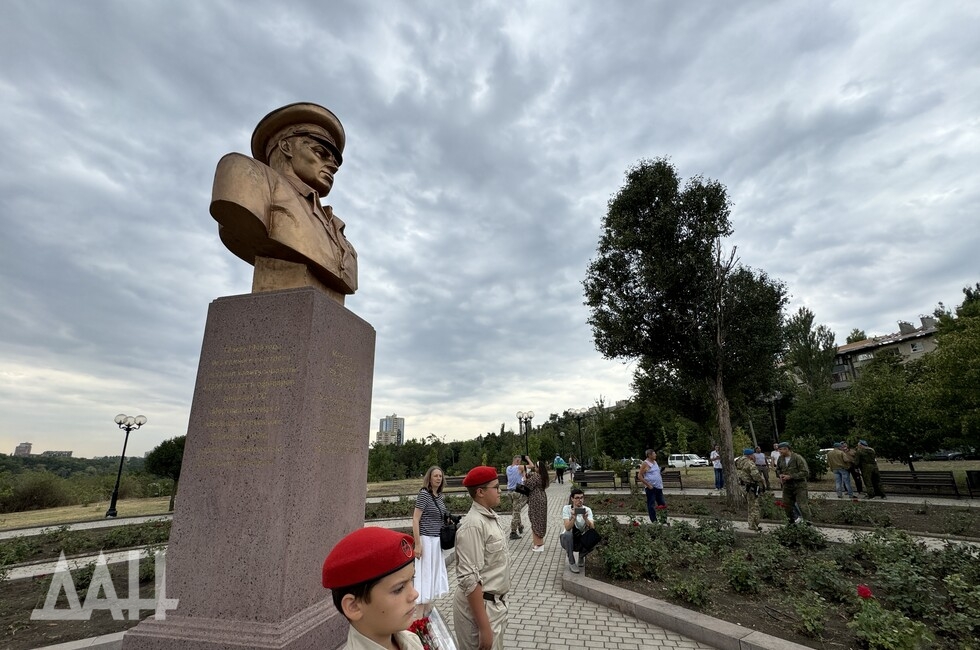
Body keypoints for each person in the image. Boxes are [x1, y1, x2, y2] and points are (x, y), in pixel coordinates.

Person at [210, 102, 358, 299]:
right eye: (320, 153)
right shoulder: (245, 174)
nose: (333, 166)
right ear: (286, 147)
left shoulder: (339, 232)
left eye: (335, 160)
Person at [321, 527, 424, 649]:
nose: (414, 594)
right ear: (354, 607)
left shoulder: (411, 640)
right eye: (398, 589)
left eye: (412, 579)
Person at [453, 466, 512, 650]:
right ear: (480, 492)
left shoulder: (489, 517)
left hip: (494, 606)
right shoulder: (473, 525)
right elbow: (470, 579)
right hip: (480, 610)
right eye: (496, 487)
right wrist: (484, 627)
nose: (500, 491)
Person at [412, 466, 450, 608]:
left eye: (440, 476)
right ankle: (420, 610)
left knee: (434, 574)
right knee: (425, 574)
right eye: (435, 476)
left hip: (436, 540)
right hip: (426, 538)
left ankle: (428, 606)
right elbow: (416, 519)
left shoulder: (439, 496)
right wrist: (417, 544)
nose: (438, 478)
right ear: (429, 478)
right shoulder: (424, 494)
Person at [559, 488, 596, 573]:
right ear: (572, 499)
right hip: (569, 539)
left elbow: (592, 528)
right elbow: (567, 527)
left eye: (582, 498)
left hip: (581, 539)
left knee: (594, 536)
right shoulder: (567, 509)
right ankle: (572, 562)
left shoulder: (587, 510)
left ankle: (581, 556)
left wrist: (586, 519)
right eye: (577, 498)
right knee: (567, 534)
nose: (580, 500)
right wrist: (573, 518)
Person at [775, 442, 810, 524]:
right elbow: (778, 469)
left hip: (799, 486)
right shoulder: (781, 458)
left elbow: (805, 472)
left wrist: (791, 476)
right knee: (786, 505)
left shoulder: (797, 458)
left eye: (780, 450)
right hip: (787, 486)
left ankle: (807, 524)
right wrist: (780, 475)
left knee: (802, 505)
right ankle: (791, 523)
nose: (779, 451)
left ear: (786, 449)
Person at [735, 448, 765, 532]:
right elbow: (756, 475)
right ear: (750, 455)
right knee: (754, 506)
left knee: (750, 505)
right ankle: (754, 524)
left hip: (743, 485)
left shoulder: (738, 462)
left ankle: (751, 523)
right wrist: (761, 482)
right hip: (751, 486)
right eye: (753, 455)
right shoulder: (749, 463)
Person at [523, 459, 550, 551]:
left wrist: (524, 476)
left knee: (535, 519)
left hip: (536, 499)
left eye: (535, 466)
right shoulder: (543, 476)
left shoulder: (537, 476)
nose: (534, 467)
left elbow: (527, 485)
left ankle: (538, 544)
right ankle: (539, 543)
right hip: (542, 498)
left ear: (539, 468)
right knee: (540, 519)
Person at [638, 449, 666, 523]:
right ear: (649, 455)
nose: (655, 455)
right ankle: (654, 521)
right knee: (651, 505)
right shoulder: (645, 464)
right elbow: (640, 476)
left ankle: (664, 520)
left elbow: (654, 472)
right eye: (654, 454)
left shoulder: (655, 462)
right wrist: (648, 485)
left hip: (658, 487)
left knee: (662, 504)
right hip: (651, 488)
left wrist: (661, 472)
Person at [505, 456, 527, 539]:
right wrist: (527, 459)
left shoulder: (508, 468)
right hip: (517, 490)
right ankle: (513, 532)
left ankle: (520, 525)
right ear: (517, 461)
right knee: (516, 511)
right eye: (520, 461)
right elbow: (531, 466)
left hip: (509, 491)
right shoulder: (518, 467)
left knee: (515, 509)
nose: (520, 463)